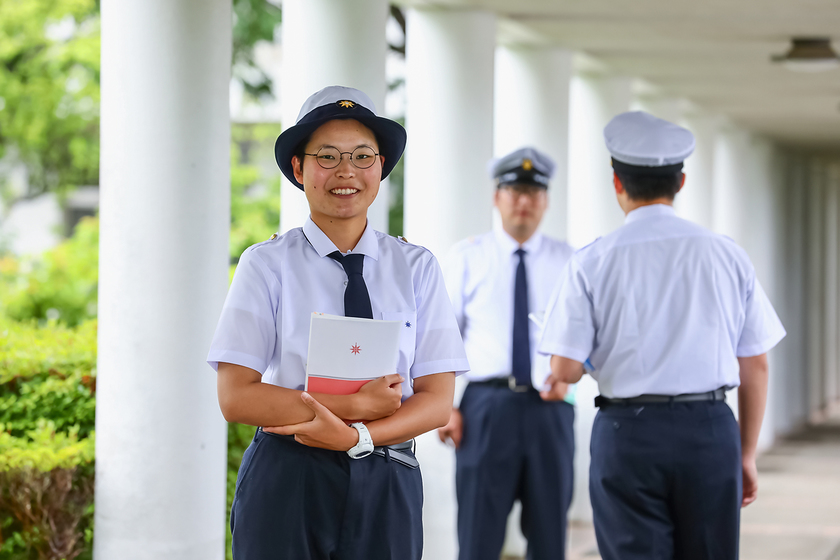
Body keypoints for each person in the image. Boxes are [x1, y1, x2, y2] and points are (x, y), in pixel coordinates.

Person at [207, 85, 469, 560]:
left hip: (388, 471)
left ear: (381, 168)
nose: (346, 172)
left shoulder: (417, 267)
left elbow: (437, 400)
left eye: (362, 156)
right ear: (298, 168)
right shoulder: (266, 264)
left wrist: (356, 436)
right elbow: (235, 396)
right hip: (290, 475)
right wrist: (350, 406)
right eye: (327, 156)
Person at [538, 111, 786, 560]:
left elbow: (566, 369)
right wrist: (746, 453)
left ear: (617, 183)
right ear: (682, 182)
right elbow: (757, 362)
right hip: (709, 430)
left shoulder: (592, 261)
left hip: (627, 432)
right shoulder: (726, 254)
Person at [437, 147, 576, 560]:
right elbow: (441, 341)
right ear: (496, 197)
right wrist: (445, 406)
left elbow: (589, 337)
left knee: (550, 536)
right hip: (485, 409)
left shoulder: (570, 261)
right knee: (478, 534)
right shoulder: (467, 257)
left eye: (534, 193)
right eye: (514, 190)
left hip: (550, 408)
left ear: (546, 201)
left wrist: (573, 372)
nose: (524, 201)